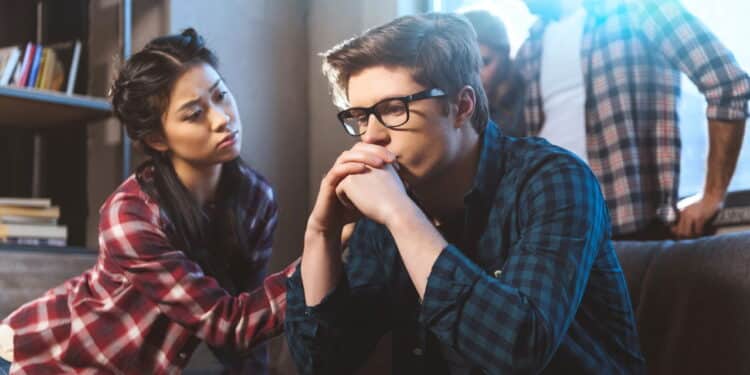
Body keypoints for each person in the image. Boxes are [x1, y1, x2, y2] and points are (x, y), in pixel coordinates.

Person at [285, 13, 644, 374]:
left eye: (394, 109)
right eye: (362, 117)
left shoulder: (554, 179)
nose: (371, 136)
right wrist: (321, 235)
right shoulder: (387, 208)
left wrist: (400, 214)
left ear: (462, 106)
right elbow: (323, 362)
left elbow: (516, 352)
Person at [0, 28, 296, 374]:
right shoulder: (130, 214)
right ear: (157, 139)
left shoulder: (256, 200)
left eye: (220, 96)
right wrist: (322, 252)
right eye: (194, 114)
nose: (222, 119)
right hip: (32, 358)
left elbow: (249, 322)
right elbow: (227, 324)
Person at [515, 0, 750, 240]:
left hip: (623, 228)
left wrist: (712, 195)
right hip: (548, 228)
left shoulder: (639, 8)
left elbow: (728, 84)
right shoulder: (531, 46)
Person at [462, 10, 525, 137]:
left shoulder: (527, 98)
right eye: (464, 64)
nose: (474, 75)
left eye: (484, 62)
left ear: (505, 57)